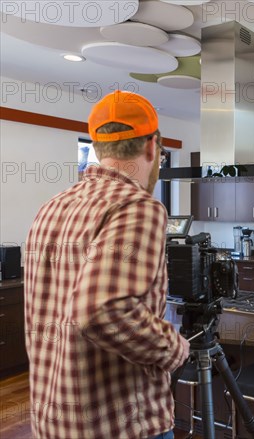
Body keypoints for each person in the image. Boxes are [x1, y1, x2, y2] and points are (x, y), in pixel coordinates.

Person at [24, 90, 190, 439]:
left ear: (99, 149)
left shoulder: (52, 207)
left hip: (53, 421)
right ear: (152, 147)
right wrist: (174, 347)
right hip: (120, 424)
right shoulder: (138, 207)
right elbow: (100, 310)